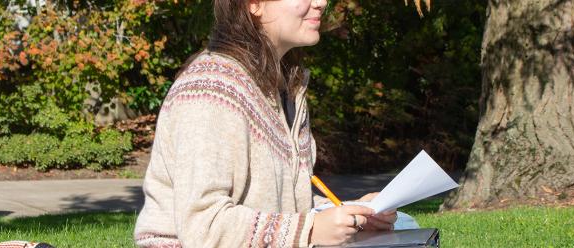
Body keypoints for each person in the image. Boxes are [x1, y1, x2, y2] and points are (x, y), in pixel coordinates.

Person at [132, 0, 397, 247]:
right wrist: (310, 229)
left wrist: (351, 215)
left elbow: (281, 204)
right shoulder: (211, 89)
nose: (322, 3)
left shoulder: (283, 88)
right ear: (254, 4)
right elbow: (203, 224)